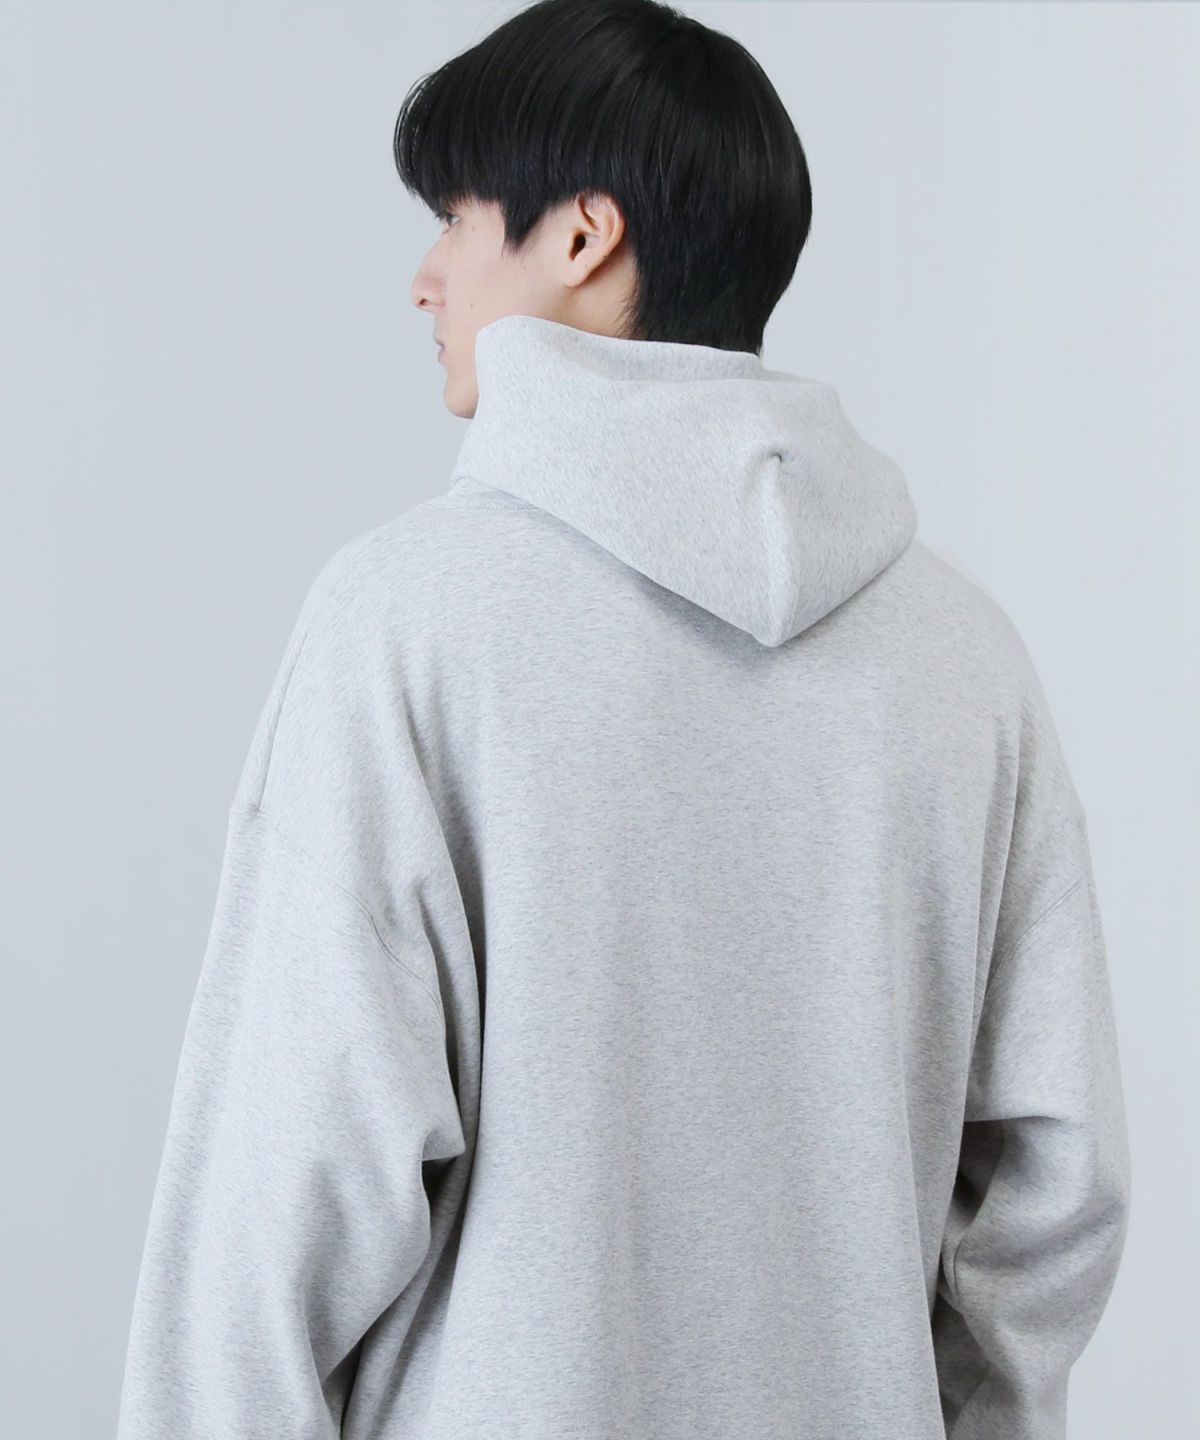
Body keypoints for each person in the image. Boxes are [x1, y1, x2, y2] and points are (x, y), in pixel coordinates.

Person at [114, 2, 1131, 1437]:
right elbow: (1052, 1195)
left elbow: (276, 1201)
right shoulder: (966, 658)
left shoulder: (410, 620)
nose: (424, 279)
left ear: (584, 235)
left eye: (457, 220)